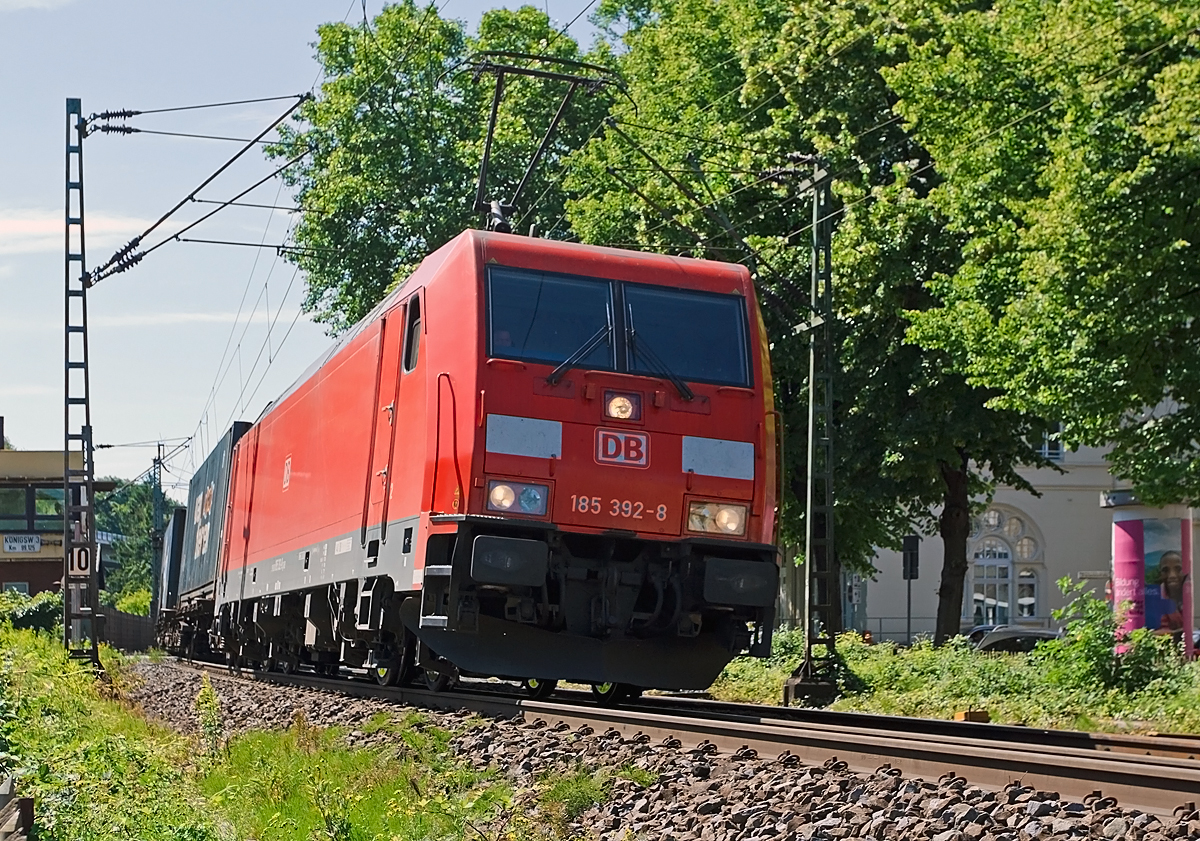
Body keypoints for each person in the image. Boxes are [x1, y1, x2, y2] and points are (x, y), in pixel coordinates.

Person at [1157, 550, 1186, 633]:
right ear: (1160, 574)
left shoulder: (1193, 594)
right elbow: (1154, 632)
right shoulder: (1156, 598)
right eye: (1165, 570)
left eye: (1178, 569)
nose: (1172, 575)